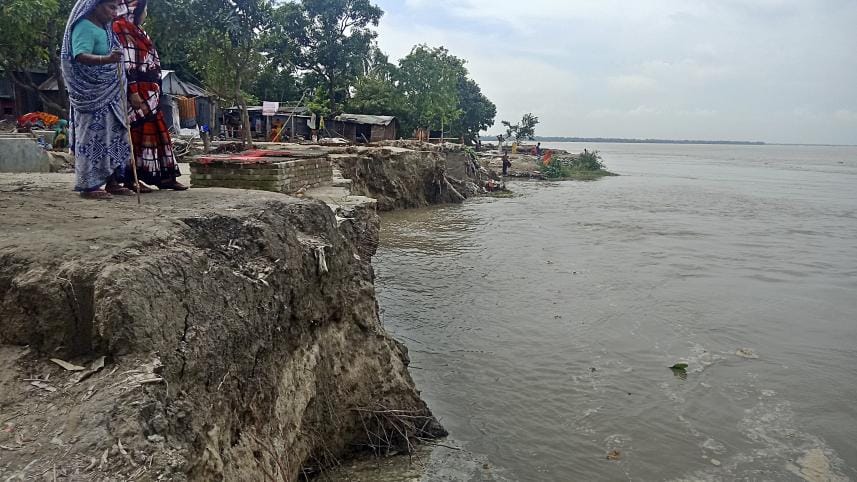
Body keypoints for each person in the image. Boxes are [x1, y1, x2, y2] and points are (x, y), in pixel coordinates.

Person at [61, 0, 134, 199]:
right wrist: (107, 59)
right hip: (91, 93)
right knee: (93, 137)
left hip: (112, 94)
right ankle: (89, 185)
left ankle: (112, 180)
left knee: (116, 134)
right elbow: (79, 55)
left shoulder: (107, 29)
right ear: (95, 5)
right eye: (111, 7)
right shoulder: (84, 26)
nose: (115, 12)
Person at [113, 0, 186, 191]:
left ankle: (164, 177)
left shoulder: (139, 31)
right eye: (144, 9)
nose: (146, 13)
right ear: (135, 10)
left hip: (152, 93)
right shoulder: (121, 28)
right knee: (137, 134)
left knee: (158, 133)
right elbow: (127, 63)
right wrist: (133, 91)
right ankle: (132, 179)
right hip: (138, 92)